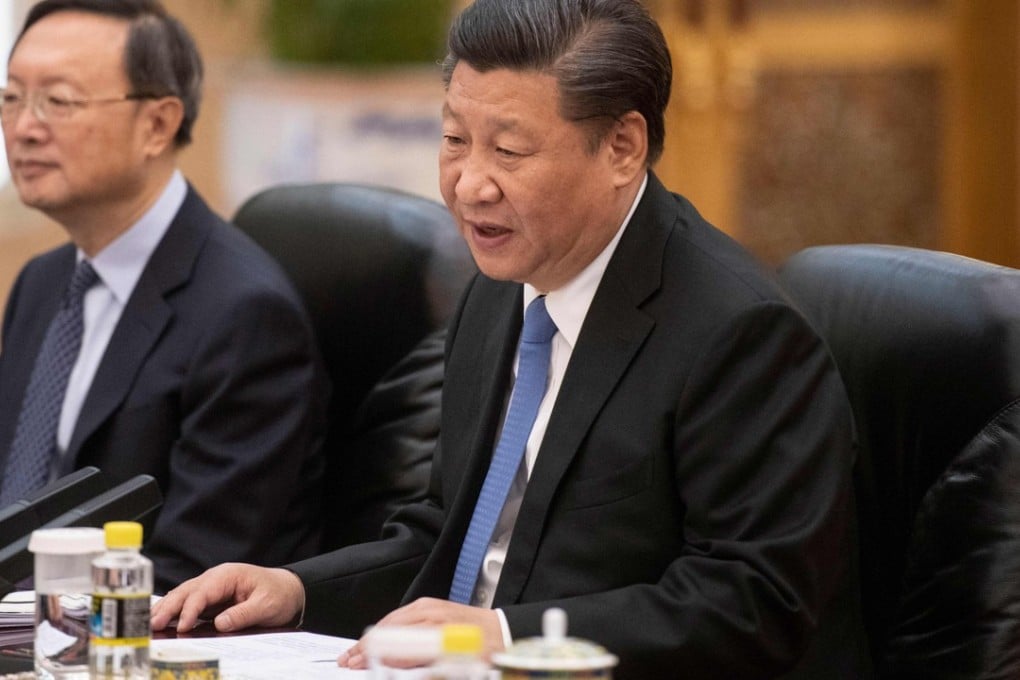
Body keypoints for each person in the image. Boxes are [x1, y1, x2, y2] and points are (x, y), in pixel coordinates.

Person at [152, 0, 872, 676]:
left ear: (623, 146)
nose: (469, 185)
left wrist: (499, 636)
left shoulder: (738, 333)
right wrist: (293, 589)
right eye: (455, 141)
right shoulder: (501, 286)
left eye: (509, 151)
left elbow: (751, 603)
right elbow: (448, 534)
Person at [0, 0, 329, 592]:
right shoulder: (41, 283)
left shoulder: (244, 312)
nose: (23, 126)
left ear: (156, 124)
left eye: (58, 101)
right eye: (11, 98)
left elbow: (192, 571)